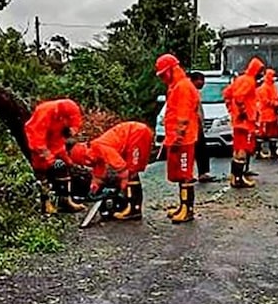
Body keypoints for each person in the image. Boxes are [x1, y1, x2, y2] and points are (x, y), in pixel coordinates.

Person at [69, 121, 152, 221]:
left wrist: (124, 180)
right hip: (133, 134)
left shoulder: (99, 147)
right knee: (130, 173)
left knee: (132, 172)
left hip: (137, 133)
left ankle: (134, 210)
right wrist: (95, 185)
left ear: (85, 158)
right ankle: (132, 207)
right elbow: (99, 170)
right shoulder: (95, 151)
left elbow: (121, 166)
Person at [156, 53, 201, 223]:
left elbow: (183, 115)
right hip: (178, 138)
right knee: (180, 174)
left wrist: (178, 136)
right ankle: (183, 206)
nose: (162, 78)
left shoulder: (182, 87)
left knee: (185, 174)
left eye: (162, 74)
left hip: (184, 139)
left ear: (170, 70)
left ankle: (188, 210)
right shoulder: (176, 86)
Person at [24, 98, 84, 213]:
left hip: (52, 145)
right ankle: (45, 204)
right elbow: (36, 139)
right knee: (42, 174)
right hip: (39, 147)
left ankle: (66, 201)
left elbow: (58, 141)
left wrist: (67, 160)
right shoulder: (45, 112)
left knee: (63, 167)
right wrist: (49, 158)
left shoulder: (68, 113)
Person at [223, 57, 264, 188]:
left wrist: (232, 110)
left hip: (239, 121)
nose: (261, 74)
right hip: (245, 122)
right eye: (260, 71)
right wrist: (243, 112)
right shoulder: (249, 81)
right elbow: (239, 97)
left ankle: (236, 177)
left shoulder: (240, 79)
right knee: (243, 150)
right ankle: (239, 178)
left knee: (237, 149)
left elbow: (227, 93)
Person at [189, 71, 217, 183]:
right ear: (195, 80)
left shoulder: (195, 92)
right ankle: (191, 174)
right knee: (194, 150)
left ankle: (203, 172)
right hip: (191, 127)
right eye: (202, 81)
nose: (203, 84)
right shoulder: (188, 91)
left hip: (197, 125)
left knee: (202, 150)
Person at [256, 68, 278, 159]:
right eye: (272, 76)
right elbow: (265, 101)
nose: (274, 78)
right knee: (261, 134)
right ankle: (259, 152)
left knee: (273, 134)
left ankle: (273, 151)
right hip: (265, 114)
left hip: (272, 114)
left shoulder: (271, 86)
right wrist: (275, 103)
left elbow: (276, 97)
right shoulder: (264, 87)